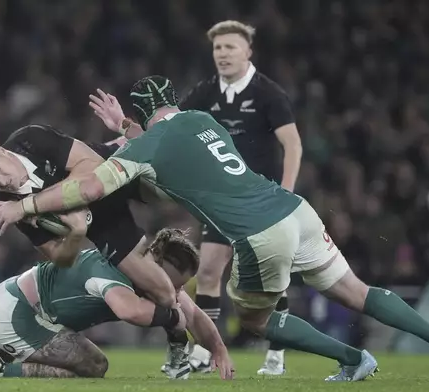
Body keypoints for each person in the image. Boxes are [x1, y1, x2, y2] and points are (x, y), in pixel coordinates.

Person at [0, 75, 429, 382]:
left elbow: (89, 190)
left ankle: (352, 357)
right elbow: (165, 142)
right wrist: (126, 132)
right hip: (295, 210)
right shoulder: (202, 120)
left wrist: (25, 208)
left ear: (138, 115)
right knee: (356, 291)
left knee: (258, 323)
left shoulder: (143, 149)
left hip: (259, 233)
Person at [90, 20, 301, 376]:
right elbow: (164, 132)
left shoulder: (269, 94)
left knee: (271, 275)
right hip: (218, 199)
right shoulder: (204, 93)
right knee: (207, 271)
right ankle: (206, 352)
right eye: (218, 48)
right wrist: (124, 127)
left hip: (259, 198)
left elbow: (292, 144)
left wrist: (287, 191)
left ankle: (276, 352)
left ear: (248, 51)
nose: (223, 54)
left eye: (230, 47)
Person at [0, 125, 192, 377]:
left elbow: (93, 167)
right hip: (107, 220)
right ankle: (180, 344)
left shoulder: (30, 140)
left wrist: (29, 205)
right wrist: (77, 233)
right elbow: (59, 257)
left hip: (113, 169)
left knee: (179, 181)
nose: (2, 182)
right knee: (165, 294)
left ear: (1, 150)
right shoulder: (7, 204)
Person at [0, 219, 235, 380]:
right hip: (23, 313)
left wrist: (216, 346)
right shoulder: (117, 272)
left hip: (11, 300)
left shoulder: (141, 265)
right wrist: (171, 321)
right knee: (94, 365)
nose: (171, 292)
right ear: (156, 262)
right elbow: (129, 310)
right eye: (170, 283)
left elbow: (189, 310)